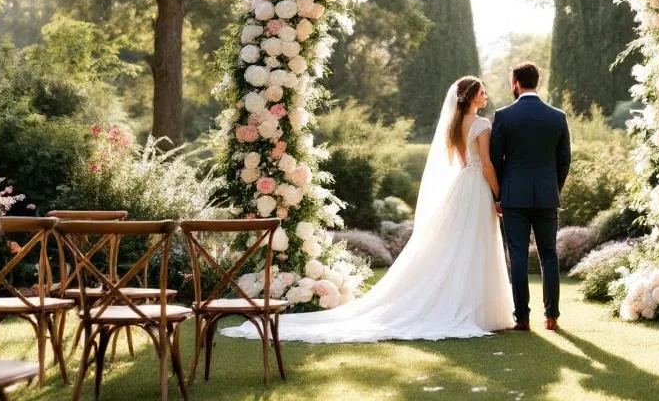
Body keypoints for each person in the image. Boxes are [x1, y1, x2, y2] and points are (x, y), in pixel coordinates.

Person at [221, 77, 514, 343]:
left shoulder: (453, 125)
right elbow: (486, 164)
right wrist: (498, 193)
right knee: (476, 245)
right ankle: (476, 308)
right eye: (482, 92)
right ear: (471, 96)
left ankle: (464, 303)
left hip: (460, 188)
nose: (486, 96)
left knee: (457, 247)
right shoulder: (481, 124)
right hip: (475, 187)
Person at [489, 61, 571, 332]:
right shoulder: (557, 116)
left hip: (513, 196)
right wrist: (553, 188)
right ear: (537, 82)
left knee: (518, 256)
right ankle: (552, 317)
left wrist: (498, 193)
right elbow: (564, 161)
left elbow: (495, 159)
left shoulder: (503, 116)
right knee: (549, 254)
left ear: (515, 83)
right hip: (547, 195)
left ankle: (521, 319)